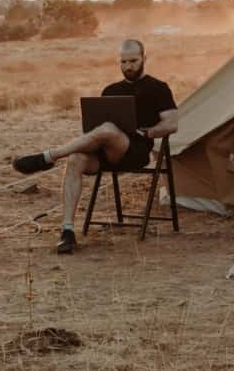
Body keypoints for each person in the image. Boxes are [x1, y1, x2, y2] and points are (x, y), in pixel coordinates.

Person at [12, 39, 178, 254]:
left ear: (144, 59)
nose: (128, 66)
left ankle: (48, 157)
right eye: (124, 61)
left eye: (134, 61)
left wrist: (148, 132)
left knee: (108, 129)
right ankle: (67, 232)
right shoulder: (110, 90)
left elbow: (172, 124)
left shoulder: (158, 88)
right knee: (75, 160)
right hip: (105, 152)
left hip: (135, 151)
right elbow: (94, 129)